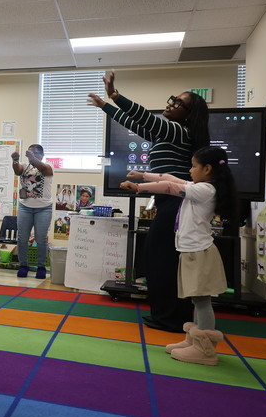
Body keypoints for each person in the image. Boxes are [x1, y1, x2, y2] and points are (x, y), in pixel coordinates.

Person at [89, 70, 209, 333]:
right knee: (159, 258)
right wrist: (105, 107)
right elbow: (135, 124)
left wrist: (114, 96)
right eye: (172, 99)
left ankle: (171, 319)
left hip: (177, 204)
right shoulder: (167, 134)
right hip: (170, 203)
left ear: (188, 114)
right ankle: (167, 315)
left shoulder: (179, 130)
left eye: (178, 103)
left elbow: (144, 116)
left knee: (162, 260)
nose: (171, 104)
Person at [120, 146, 237, 365]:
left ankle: (205, 350)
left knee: (202, 301)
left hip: (199, 253)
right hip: (191, 252)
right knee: (196, 298)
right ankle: (194, 340)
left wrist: (139, 187)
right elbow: (169, 177)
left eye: (194, 166)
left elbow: (169, 186)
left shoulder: (205, 190)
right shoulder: (200, 186)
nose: (190, 170)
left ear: (208, 168)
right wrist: (143, 174)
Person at [12, 144, 54, 279]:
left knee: (40, 239)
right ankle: (23, 265)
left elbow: (43, 169)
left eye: (35, 153)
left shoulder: (48, 166)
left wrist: (33, 158)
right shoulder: (25, 166)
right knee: (22, 238)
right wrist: (15, 161)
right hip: (25, 207)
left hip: (43, 208)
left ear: (42, 155)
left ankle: (41, 267)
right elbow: (18, 171)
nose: (31, 155)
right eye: (30, 153)